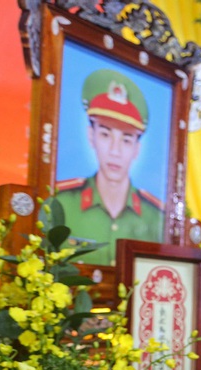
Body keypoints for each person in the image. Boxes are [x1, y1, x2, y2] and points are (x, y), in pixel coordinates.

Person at [56, 68, 164, 266]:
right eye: (105, 135)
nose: (115, 151)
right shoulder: (60, 204)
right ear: (91, 136)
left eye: (126, 140)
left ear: (137, 149)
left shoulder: (157, 217)